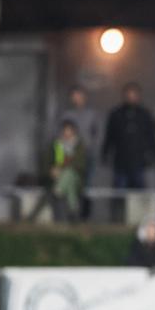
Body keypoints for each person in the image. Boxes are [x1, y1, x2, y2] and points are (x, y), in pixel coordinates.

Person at [102, 82, 155, 189]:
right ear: (124, 95)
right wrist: (105, 154)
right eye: (129, 94)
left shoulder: (145, 114)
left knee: (138, 193)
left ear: (138, 96)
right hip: (120, 161)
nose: (131, 97)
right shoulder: (116, 114)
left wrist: (153, 155)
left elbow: (151, 137)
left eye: (134, 94)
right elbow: (109, 136)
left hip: (139, 161)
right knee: (119, 192)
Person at [28, 121, 86, 223]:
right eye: (65, 131)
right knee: (69, 186)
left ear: (74, 132)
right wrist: (53, 170)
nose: (66, 134)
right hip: (60, 178)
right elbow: (56, 162)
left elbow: (79, 165)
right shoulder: (58, 145)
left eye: (69, 131)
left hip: (76, 177)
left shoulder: (79, 145)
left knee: (69, 174)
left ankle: (58, 189)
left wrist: (61, 169)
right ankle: (73, 214)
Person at [57, 85, 100, 219]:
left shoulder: (91, 114)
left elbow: (97, 133)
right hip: (71, 155)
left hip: (88, 154)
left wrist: (91, 146)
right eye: (74, 96)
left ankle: (85, 215)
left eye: (79, 96)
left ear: (84, 97)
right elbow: (60, 135)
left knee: (88, 184)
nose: (77, 99)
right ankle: (71, 214)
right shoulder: (67, 115)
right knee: (72, 183)